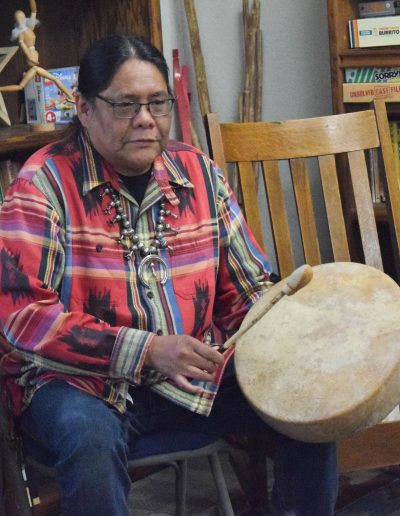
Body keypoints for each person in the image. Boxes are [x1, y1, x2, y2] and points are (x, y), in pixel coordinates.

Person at [0, 33, 338, 515]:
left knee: (308, 402)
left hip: (194, 369)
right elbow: (24, 317)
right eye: (125, 105)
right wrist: (149, 350)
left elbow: (248, 290)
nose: (145, 119)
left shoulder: (198, 173)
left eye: (157, 103)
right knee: (89, 438)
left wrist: (287, 330)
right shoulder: (40, 188)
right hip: (77, 383)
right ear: (85, 108)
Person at [0, 0, 75, 103]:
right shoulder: (21, 33)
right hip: (34, 66)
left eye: (22, 17)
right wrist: (30, 57)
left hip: (35, 66)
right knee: (21, 86)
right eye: (18, 18)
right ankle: (71, 97)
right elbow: (22, 44)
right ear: (16, 21)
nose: (21, 19)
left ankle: (71, 97)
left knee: (54, 80)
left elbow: (34, 10)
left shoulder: (29, 28)